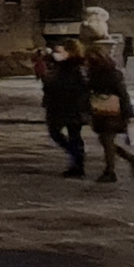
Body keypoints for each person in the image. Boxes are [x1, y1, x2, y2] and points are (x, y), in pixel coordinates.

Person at [83, 43, 134, 182]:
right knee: (105, 140)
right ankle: (133, 159)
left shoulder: (110, 73)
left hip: (113, 111)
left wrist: (129, 115)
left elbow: (123, 95)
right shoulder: (92, 72)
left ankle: (110, 172)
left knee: (106, 139)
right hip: (100, 110)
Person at [38, 41, 91, 176]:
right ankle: (77, 159)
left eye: (61, 51)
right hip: (60, 105)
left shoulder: (77, 67)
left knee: (72, 135)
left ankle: (77, 164)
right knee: (57, 132)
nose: (58, 54)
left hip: (71, 106)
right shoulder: (61, 66)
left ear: (70, 51)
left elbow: (81, 87)